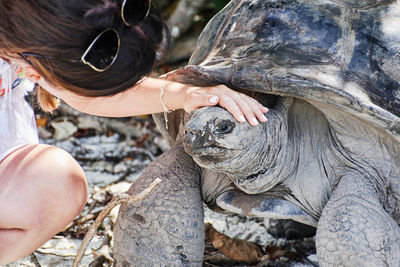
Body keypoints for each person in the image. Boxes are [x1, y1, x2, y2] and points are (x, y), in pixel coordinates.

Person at [0, 0, 268, 264]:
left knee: (58, 187)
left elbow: (91, 96)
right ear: (33, 68)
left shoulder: (44, 24)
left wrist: (188, 94)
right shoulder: (34, 38)